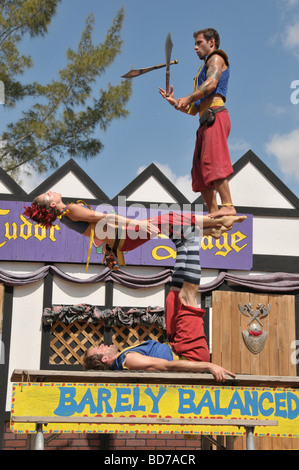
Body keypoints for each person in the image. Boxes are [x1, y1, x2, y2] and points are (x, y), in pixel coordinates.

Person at [159, 28, 235, 218]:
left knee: (214, 160)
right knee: (199, 171)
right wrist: (177, 103)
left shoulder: (216, 58)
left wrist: (187, 97)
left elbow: (211, 84)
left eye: (199, 43)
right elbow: (193, 110)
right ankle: (214, 213)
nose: (195, 47)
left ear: (211, 42)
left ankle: (228, 205)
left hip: (216, 115)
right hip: (204, 120)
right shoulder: (202, 68)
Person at [82, 340, 236, 383]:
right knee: (186, 296)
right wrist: (209, 366)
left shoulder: (124, 358)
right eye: (99, 348)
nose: (102, 344)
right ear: (104, 359)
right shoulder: (128, 360)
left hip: (180, 345)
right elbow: (167, 366)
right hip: (189, 352)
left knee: (175, 297)